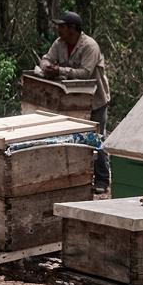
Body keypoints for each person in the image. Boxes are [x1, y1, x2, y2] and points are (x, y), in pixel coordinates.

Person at [39, 11, 112, 193]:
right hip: (70, 101)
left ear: (72, 29)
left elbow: (86, 73)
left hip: (95, 101)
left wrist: (60, 71)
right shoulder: (59, 43)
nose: (58, 29)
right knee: (73, 138)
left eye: (61, 26)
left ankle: (102, 180)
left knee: (96, 138)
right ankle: (77, 177)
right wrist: (46, 66)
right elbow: (47, 58)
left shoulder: (90, 46)